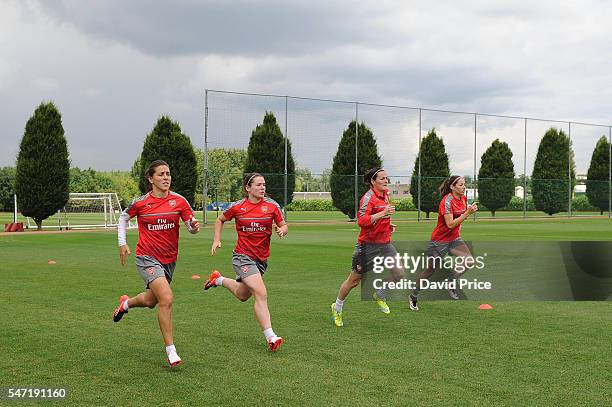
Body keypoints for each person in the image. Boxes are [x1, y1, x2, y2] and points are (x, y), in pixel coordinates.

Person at [112, 160, 200, 366]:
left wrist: (194, 227)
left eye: (168, 174)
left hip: (169, 259)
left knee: (152, 301)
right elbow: (123, 218)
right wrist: (122, 243)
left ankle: (126, 304)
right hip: (146, 257)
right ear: (151, 179)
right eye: (161, 174)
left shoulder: (179, 201)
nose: (166, 177)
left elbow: (190, 227)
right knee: (167, 298)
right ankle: (171, 351)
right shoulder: (141, 202)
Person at [203, 172, 288, 352]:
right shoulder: (238, 207)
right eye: (258, 185)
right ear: (248, 188)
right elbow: (220, 219)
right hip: (242, 257)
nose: (262, 188)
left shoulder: (272, 206)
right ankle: (271, 336)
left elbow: (283, 224)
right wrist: (216, 239)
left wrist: (282, 230)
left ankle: (217, 279)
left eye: (264, 184)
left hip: (261, 259)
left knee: (242, 295)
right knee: (261, 292)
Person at [330, 168, 405, 327]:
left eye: (387, 178)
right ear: (373, 181)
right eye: (382, 178)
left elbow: (379, 218)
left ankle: (380, 294)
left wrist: (387, 223)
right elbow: (362, 221)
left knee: (399, 273)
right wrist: (383, 214)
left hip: (385, 244)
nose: (386, 181)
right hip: (367, 247)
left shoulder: (386, 195)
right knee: (353, 281)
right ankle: (337, 307)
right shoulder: (368, 198)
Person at [409, 175, 477, 310]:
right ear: (452, 187)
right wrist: (467, 213)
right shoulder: (446, 201)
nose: (464, 187)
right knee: (429, 271)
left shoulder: (463, 198)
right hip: (438, 242)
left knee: (468, 261)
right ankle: (413, 296)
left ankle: (450, 281)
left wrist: (467, 210)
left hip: (454, 239)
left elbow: (459, 219)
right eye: (461, 185)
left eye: (464, 184)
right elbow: (450, 224)